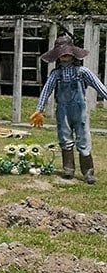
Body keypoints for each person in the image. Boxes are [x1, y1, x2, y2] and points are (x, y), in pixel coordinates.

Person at [30, 34, 107, 184]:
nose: (65, 55)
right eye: (61, 53)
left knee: (83, 137)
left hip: (80, 111)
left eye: (67, 52)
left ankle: (88, 172)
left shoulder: (83, 72)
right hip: (63, 110)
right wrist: (39, 109)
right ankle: (68, 169)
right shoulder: (56, 74)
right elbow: (46, 90)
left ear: (73, 53)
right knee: (64, 137)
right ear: (57, 56)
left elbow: (99, 86)